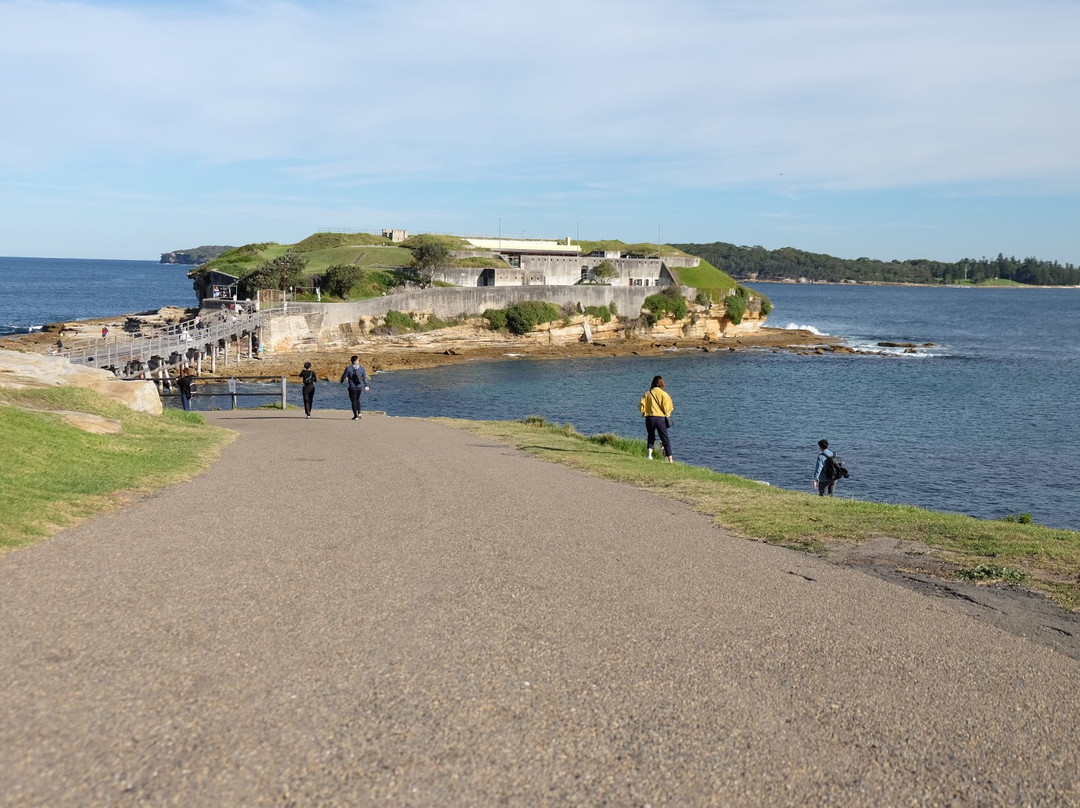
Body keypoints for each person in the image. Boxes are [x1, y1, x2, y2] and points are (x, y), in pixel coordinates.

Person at [639, 374, 674, 462]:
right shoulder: (664, 394)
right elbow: (669, 407)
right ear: (662, 383)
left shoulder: (648, 393)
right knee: (665, 439)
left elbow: (641, 406)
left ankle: (649, 455)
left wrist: (644, 413)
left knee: (651, 436)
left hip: (649, 418)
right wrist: (667, 414)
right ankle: (670, 460)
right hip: (660, 419)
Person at [339, 355, 370, 420]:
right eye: (358, 360)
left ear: (352, 361)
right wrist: (366, 385)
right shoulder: (361, 368)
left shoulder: (349, 368)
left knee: (353, 401)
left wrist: (341, 381)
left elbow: (344, 377)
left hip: (352, 387)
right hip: (359, 387)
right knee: (358, 399)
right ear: (357, 361)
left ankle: (355, 416)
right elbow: (364, 378)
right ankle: (359, 412)